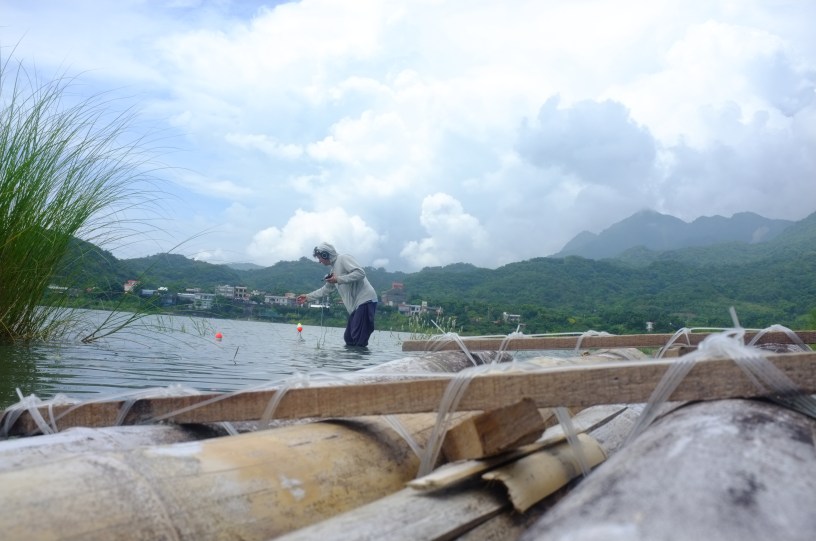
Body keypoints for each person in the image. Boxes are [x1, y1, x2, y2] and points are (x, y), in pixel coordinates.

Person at [296, 242, 378, 347]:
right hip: (356, 307)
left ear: (325, 254)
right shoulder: (333, 271)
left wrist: (338, 279)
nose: (319, 261)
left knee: (358, 338)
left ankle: (360, 357)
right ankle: (354, 357)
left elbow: (360, 273)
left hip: (365, 301)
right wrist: (307, 297)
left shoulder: (343, 258)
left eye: (320, 258)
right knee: (349, 338)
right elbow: (326, 289)